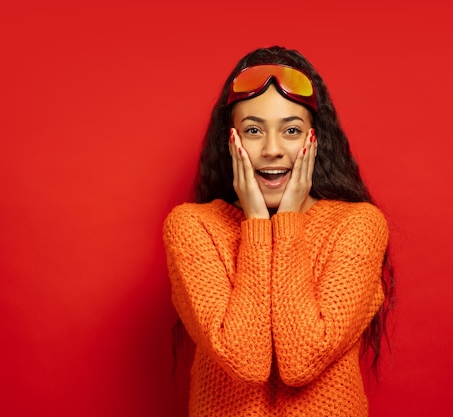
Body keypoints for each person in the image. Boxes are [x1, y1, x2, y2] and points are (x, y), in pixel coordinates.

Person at [163, 45, 394, 417]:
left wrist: (286, 225)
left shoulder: (357, 225)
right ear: (231, 140)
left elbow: (301, 359)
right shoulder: (193, 227)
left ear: (314, 140)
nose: (272, 149)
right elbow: (245, 360)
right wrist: (256, 223)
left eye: (291, 130)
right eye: (253, 130)